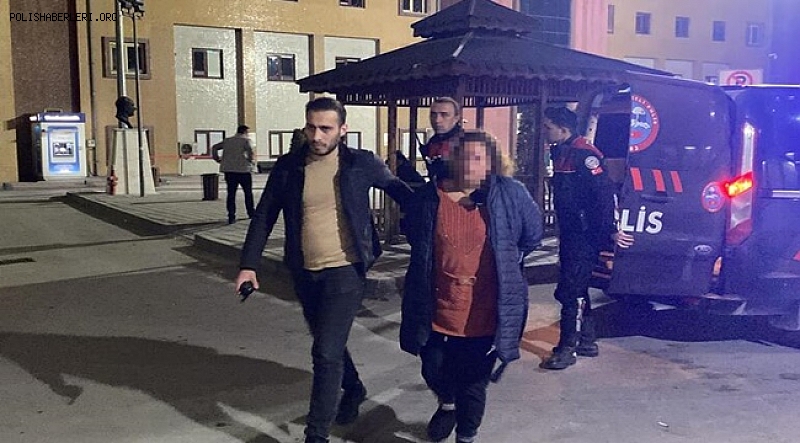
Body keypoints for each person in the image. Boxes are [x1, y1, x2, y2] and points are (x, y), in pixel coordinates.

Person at [234, 97, 413, 443]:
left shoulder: (361, 163)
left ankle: (316, 435)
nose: (317, 136)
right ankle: (354, 388)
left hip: (345, 270)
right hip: (304, 271)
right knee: (328, 343)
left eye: (326, 128)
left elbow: (404, 194)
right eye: (311, 127)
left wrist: (444, 207)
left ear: (343, 129)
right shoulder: (289, 167)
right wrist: (248, 265)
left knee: (325, 353)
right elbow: (264, 215)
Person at [400, 130, 543, 443]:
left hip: (486, 309)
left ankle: (466, 436)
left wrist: (507, 258)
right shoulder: (430, 196)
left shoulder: (509, 194)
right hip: (437, 308)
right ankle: (447, 403)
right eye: (463, 157)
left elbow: (532, 234)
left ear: (491, 163)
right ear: (453, 159)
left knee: (473, 383)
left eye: (478, 158)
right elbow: (413, 232)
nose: (469, 164)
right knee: (432, 368)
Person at [539, 107, 634, 371]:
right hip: (571, 233)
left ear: (563, 129)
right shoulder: (562, 151)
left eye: (548, 127)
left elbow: (604, 195)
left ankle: (566, 348)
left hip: (584, 234)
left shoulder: (585, 154)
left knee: (570, 290)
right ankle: (587, 340)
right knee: (577, 286)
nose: (545, 132)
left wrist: (611, 229)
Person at [396, 96, 463, 183]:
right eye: (433, 114)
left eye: (444, 115)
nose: (437, 120)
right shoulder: (433, 142)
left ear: (456, 118)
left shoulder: (467, 144)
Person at [212, 125, 256, 224]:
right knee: (248, 193)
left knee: (231, 194)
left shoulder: (228, 140)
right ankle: (251, 212)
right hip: (243, 170)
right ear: (245, 132)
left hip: (229, 170)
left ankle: (231, 215)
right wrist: (251, 161)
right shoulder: (246, 141)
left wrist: (217, 158)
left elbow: (215, 147)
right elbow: (251, 153)